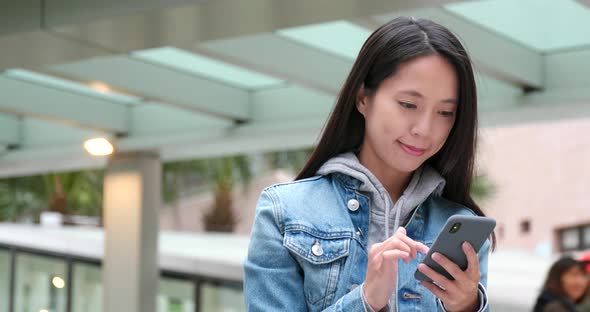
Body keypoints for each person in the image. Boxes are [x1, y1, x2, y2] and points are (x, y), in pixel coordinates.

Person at [244, 16, 495, 312]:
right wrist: (365, 301)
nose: (425, 129)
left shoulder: (458, 227)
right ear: (363, 98)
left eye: (445, 112)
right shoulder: (285, 212)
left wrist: (468, 306)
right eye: (408, 105)